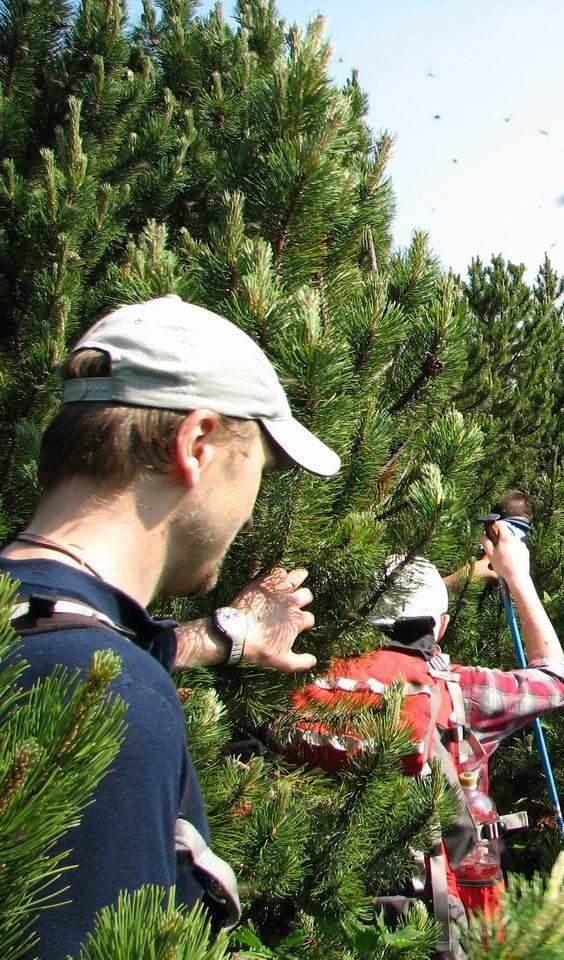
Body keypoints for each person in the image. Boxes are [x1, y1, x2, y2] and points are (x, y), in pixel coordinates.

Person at [0, 294, 340, 959]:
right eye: (259, 473)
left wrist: (223, 636)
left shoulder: (34, 619)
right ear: (197, 443)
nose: (250, 513)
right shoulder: (111, 704)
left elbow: (79, 637)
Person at [287, 519, 564, 953]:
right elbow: (556, 680)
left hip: (320, 915)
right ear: (440, 627)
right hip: (436, 916)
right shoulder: (459, 691)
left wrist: (459, 577)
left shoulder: (313, 680)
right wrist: (518, 577)